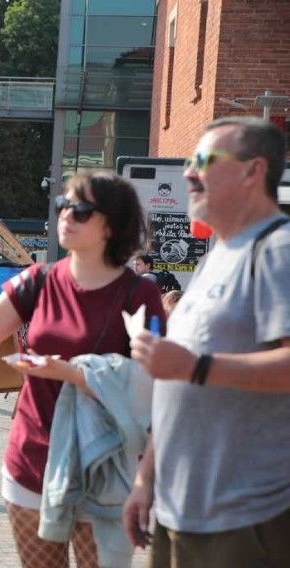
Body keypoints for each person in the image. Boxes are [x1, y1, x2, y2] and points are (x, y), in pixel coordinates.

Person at [0, 172, 164, 567]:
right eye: (63, 205)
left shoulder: (139, 293)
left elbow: (153, 392)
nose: (66, 215)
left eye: (80, 210)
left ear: (112, 225)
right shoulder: (39, 279)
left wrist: (72, 374)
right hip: (31, 463)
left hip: (104, 468)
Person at [127, 116, 290, 567]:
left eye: (203, 160)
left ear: (253, 171)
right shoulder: (219, 253)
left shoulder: (278, 250)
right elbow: (174, 387)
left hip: (246, 520)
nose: (188, 173)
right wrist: (145, 480)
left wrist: (196, 367)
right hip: (180, 515)